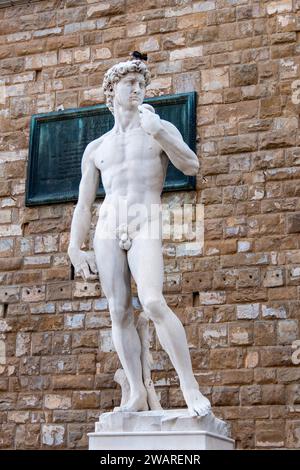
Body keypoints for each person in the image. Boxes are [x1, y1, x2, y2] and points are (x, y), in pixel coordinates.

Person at [68, 58, 211, 416]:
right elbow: (84, 205)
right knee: (118, 312)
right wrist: (74, 247)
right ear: (111, 91)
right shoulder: (97, 148)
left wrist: (160, 131)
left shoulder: (157, 128)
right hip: (107, 226)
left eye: (140, 83)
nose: (136, 87)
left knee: (152, 301)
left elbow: (191, 165)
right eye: (129, 81)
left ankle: (189, 387)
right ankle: (136, 392)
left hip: (144, 220)